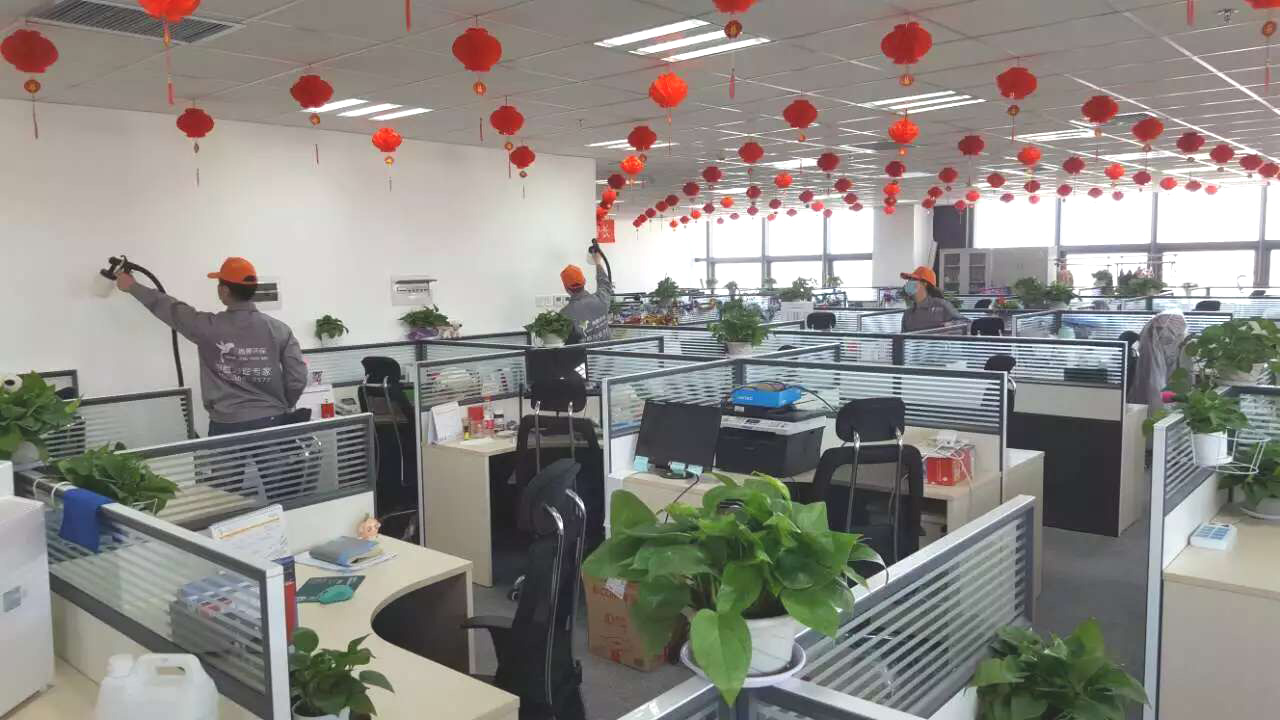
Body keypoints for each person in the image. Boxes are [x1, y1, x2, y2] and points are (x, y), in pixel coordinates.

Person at [116, 256, 308, 436]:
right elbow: (297, 378)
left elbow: (171, 309)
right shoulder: (280, 330)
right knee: (276, 465)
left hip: (225, 426)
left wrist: (132, 286)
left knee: (225, 465)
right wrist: (281, 405)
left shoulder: (206, 327)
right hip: (272, 423)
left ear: (224, 290)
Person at [1128, 309, 1189, 410]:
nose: (1181, 339)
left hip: (1140, 408)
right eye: (1179, 336)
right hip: (1155, 409)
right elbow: (1158, 397)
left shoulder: (1149, 333)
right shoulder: (1155, 368)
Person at [558, 251, 613, 343]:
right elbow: (605, 283)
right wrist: (598, 262)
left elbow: (563, 343)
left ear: (566, 288)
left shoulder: (565, 314)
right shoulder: (601, 299)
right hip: (607, 352)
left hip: (582, 353)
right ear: (584, 282)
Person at [900, 266, 966, 333]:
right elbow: (902, 338)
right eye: (909, 280)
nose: (909, 283)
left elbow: (966, 324)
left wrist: (947, 328)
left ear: (924, 283)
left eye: (913, 279)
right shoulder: (907, 314)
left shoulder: (941, 305)